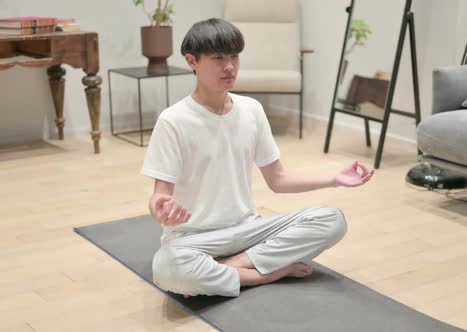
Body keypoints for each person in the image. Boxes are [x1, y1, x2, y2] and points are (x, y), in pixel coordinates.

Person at [141, 18, 374, 298]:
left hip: (248, 229)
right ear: (192, 61)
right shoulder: (173, 120)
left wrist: (334, 179)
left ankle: (229, 269)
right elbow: (159, 197)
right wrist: (162, 210)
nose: (229, 66)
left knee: (332, 220)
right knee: (168, 267)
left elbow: (278, 180)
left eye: (234, 57)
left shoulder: (251, 110)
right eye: (218, 58)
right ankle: (267, 274)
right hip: (192, 239)